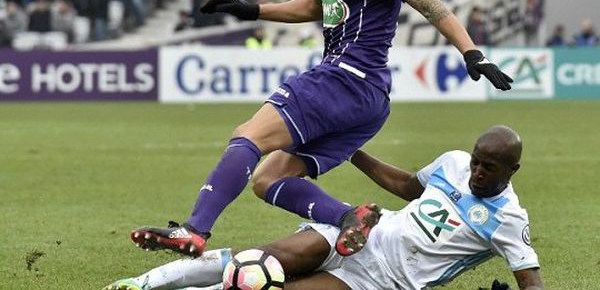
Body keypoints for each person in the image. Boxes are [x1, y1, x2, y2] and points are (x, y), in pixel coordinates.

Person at [131, 0, 513, 259]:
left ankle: (195, 230)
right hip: (367, 101)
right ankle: (351, 218)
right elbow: (317, 6)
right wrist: (254, 10)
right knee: (268, 180)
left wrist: (471, 52)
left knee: (248, 135)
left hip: (346, 78)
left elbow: (430, 4)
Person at [107, 125, 543, 290]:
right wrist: (355, 151)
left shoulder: (508, 220)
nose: (476, 171)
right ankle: (140, 284)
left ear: (512, 169)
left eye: (488, 167)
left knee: (258, 286)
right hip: (362, 232)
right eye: (476, 160)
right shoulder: (453, 163)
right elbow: (408, 186)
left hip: (380, 281)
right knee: (259, 261)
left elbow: (531, 281)